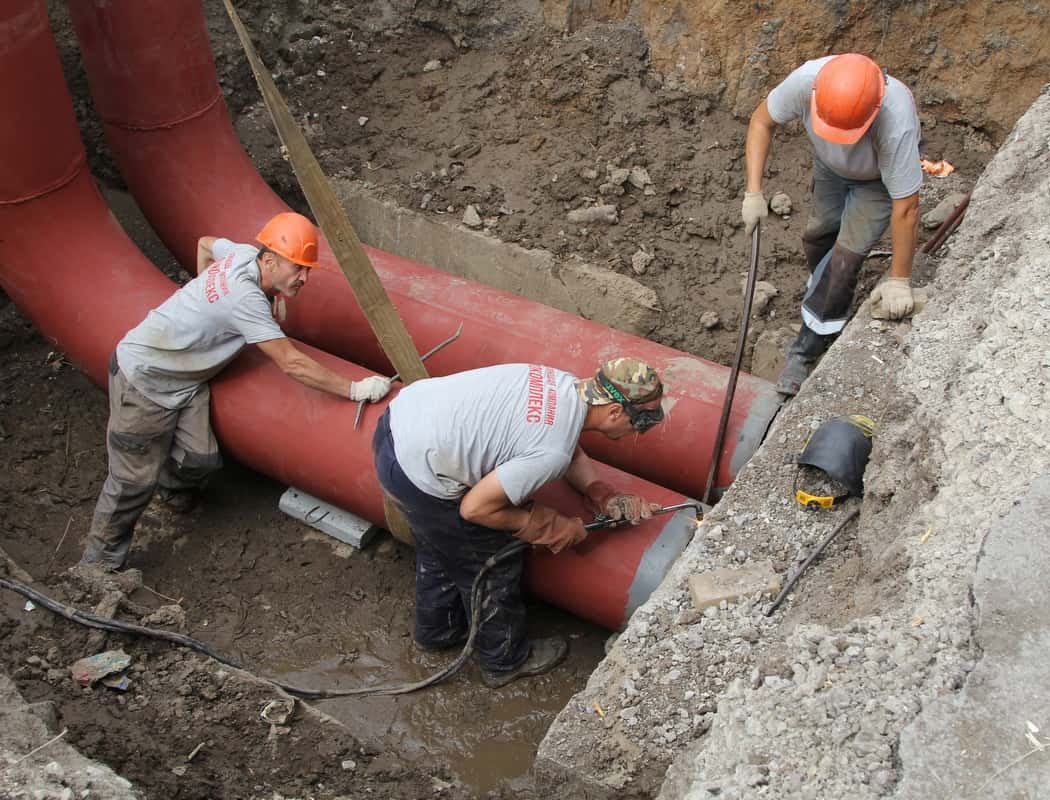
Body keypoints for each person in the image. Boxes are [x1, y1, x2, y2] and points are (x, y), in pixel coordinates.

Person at [81, 211, 393, 570]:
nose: (305, 277)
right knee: (132, 480)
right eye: (298, 268)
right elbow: (292, 363)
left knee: (201, 458)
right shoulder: (245, 300)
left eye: (307, 269)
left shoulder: (244, 254)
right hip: (145, 381)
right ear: (271, 260)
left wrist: (203, 296)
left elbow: (205, 243)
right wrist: (355, 389)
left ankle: (171, 487)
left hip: (185, 380)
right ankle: (98, 562)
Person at [372, 357, 665, 688]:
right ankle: (503, 660)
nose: (633, 433)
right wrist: (550, 525)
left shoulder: (564, 383)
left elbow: (570, 448)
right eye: (637, 423)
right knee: (486, 556)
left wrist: (601, 493)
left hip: (397, 428)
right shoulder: (550, 451)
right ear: (614, 412)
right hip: (420, 473)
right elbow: (475, 509)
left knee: (441, 542)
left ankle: (438, 631)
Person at [742, 53, 923, 396]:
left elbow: (907, 207)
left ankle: (804, 352)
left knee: (843, 261)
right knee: (817, 235)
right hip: (829, 169)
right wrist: (753, 192)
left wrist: (900, 279)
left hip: (876, 182)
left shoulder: (896, 120)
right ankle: (825, 292)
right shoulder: (804, 82)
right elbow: (761, 122)